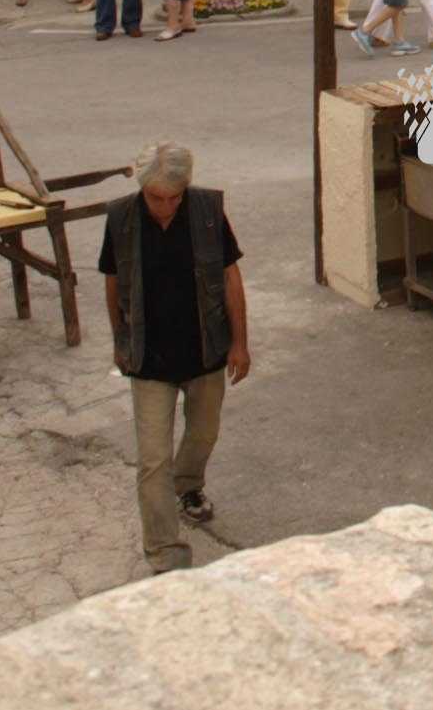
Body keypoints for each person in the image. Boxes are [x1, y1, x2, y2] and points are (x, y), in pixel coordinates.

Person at [98, 142, 248, 574]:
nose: (165, 207)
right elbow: (113, 283)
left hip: (204, 351)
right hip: (150, 358)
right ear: (143, 189)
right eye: (156, 198)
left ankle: (188, 486)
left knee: (203, 435)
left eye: (173, 197)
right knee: (152, 459)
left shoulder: (206, 210)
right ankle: (165, 554)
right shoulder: (121, 218)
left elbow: (230, 277)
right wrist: (119, 339)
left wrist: (240, 342)